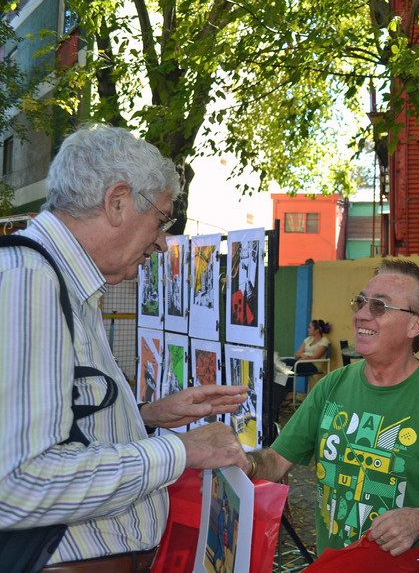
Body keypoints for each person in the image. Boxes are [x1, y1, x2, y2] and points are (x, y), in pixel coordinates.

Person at [0, 124, 250, 570]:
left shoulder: (65, 283)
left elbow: (54, 422)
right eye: (159, 220)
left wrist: (142, 416)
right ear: (116, 202)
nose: (161, 241)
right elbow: (18, 484)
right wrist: (181, 450)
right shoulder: (30, 281)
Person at [247, 259, 419, 560]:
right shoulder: (332, 386)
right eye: (361, 302)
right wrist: (242, 462)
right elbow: (275, 462)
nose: (361, 315)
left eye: (379, 306)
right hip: (332, 566)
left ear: (415, 324)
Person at [273, 319, 332, 415]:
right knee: (282, 364)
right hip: (301, 363)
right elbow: (297, 354)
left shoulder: (324, 341)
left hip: (314, 365)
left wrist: (303, 356)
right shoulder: (308, 340)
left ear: (317, 330)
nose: (308, 329)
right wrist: (304, 356)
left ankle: (289, 393)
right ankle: (280, 395)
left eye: (310, 327)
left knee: (287, 363)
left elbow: (315, 357)